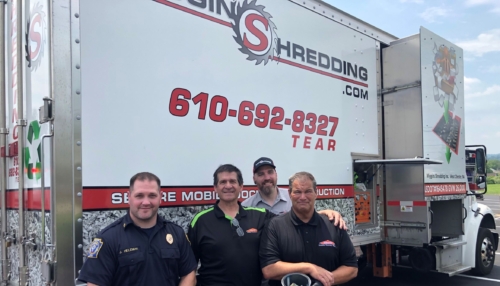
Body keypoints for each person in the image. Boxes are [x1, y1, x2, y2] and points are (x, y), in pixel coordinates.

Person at [78, 172, 197, 286]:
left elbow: (189, 275)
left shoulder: (176, 233)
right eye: (139, 196)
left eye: (152, 195)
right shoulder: (108, 238)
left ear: (160, 197)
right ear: (129, 197)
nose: (146, 202)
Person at [260, 171, 358, 286]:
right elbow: (269, 269)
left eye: (308, 191)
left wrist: (322, 282)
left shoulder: (333, 224)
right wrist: (309, 268)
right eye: (297, 192)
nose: (303, 197)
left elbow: (351, 268)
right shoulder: (274, 226)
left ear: (316, 193)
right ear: (289, 193)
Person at [188, 164, 275, 286]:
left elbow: (288, 226)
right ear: (215, 188)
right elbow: (188, 267)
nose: (228, 186)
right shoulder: (200, 221)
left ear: (241, 186)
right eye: (223, 182)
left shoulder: (260, 216)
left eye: (233, 181)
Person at [242, 157, 346, 229]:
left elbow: (306, 216)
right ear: (254, 179)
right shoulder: (246, 207)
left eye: (270, 172)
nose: (267, 177)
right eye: (260, 174)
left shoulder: (293, 196)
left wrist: (326, 213)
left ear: (276, 175)